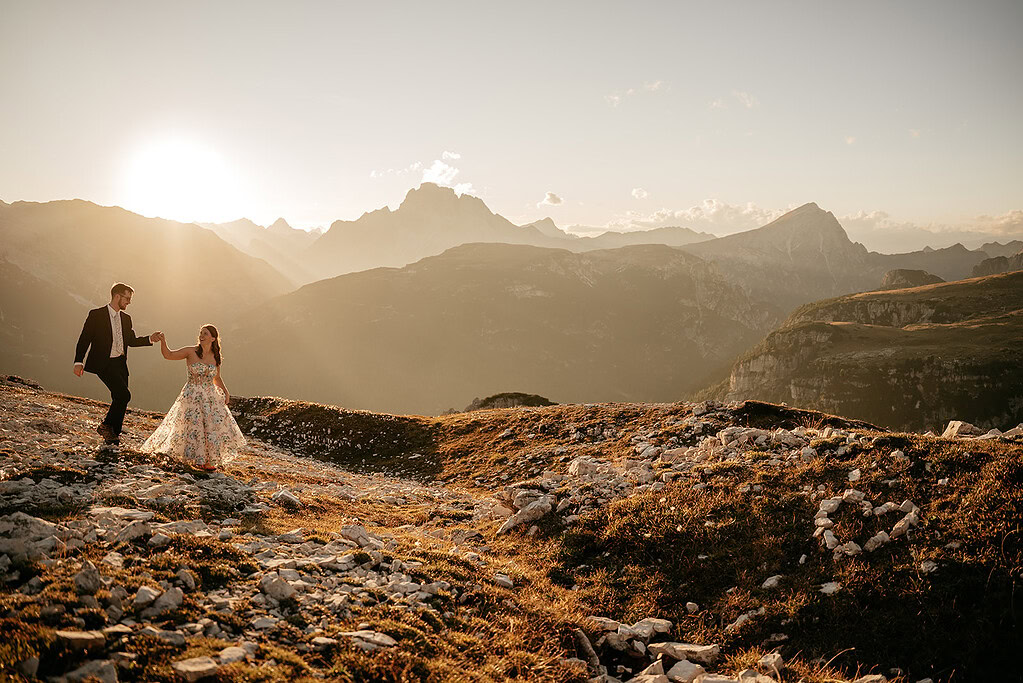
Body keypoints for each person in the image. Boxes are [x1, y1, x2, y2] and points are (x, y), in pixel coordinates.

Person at [141, 324, 245, 470]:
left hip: (210, 396)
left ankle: (208, 460)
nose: (201, 336)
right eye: (201, 333)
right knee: (194, 427)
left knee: (209, 428)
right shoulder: (191, 351)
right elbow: (168, 355)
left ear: (213, 338)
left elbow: (217, 378)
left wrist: (226, 392)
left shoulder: (216, 357)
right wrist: (163, 342)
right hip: (193, 394)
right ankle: (197, 460)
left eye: (205, 333)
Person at [73, 283, 161, 445]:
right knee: (124, 395)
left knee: (119, 397)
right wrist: (78, 361)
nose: (129, 302)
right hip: (103, 363)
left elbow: (131, 341)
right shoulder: (96, 315)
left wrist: (150, 339)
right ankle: (106, 426)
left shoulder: (126, 319)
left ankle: (113, 435)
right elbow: (84, 339)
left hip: (121, 363)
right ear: (117, 296)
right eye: (127, 298)